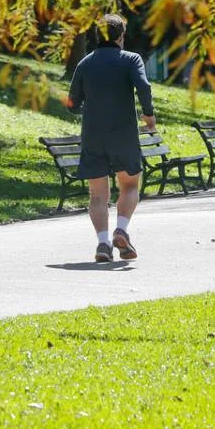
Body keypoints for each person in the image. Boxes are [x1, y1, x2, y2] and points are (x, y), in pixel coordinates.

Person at [66, 14, 155, 262]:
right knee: (129, 185)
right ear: (120, 36)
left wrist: (88, 109)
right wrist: (149, 116)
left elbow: (72, 102)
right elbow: (144, 87)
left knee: (97, 195)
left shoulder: (85, 63)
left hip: (93, 135)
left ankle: (103, 244)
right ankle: (122, 229)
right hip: (123, 134)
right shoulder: (131, 59)